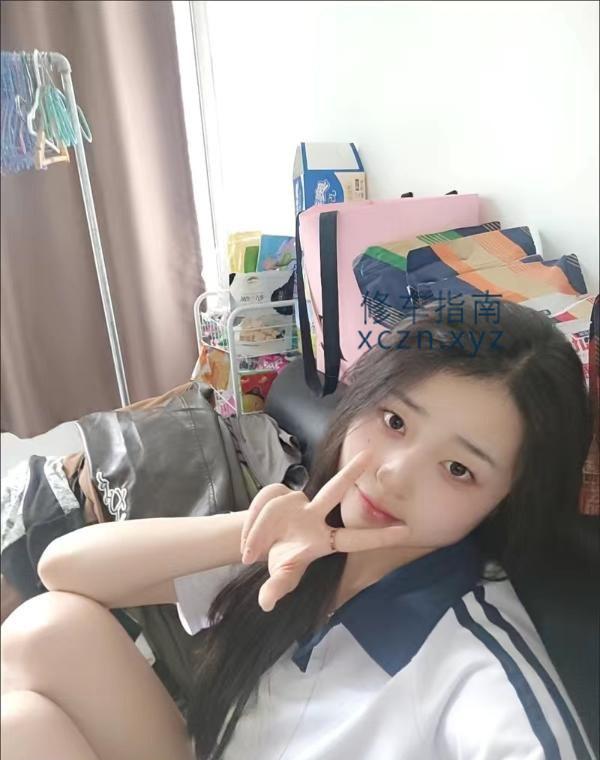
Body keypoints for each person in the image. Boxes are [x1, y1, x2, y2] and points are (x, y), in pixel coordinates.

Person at [1, 296, 595, 760]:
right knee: (41, 633)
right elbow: (62, 571)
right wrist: (252, 530)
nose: (392, 474)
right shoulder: (313, 537)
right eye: (394, 421)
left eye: (458, 469)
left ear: (507, 498)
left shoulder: (471, 659)